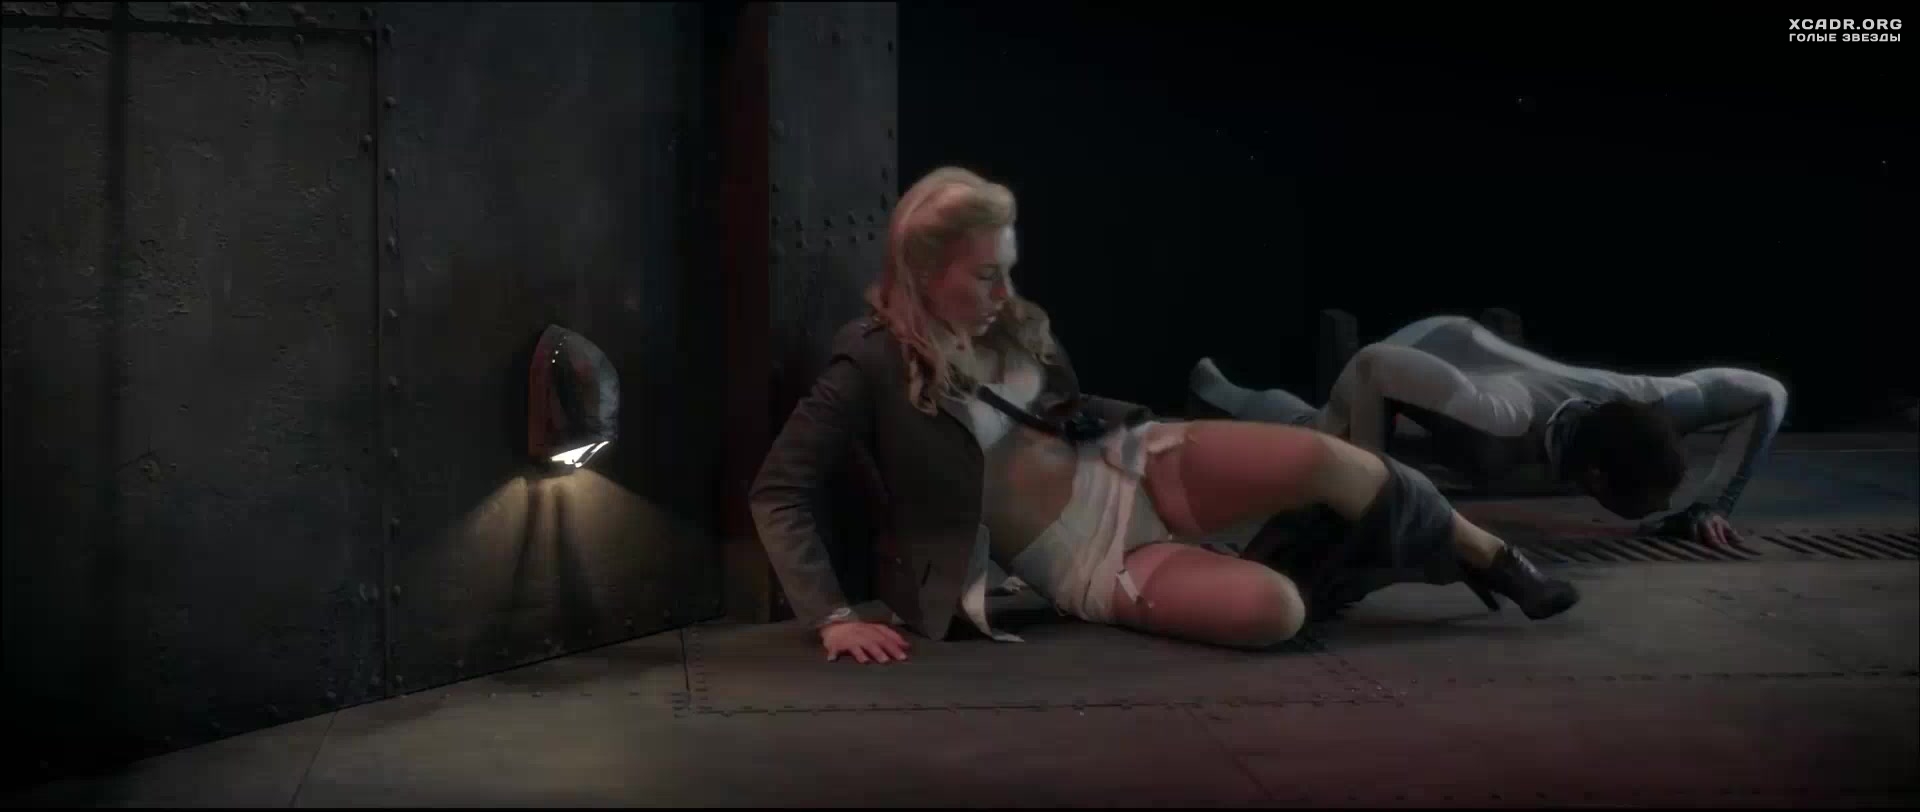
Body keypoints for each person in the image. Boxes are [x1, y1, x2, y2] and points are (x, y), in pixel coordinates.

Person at [749, 168, 1579, 666]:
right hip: (1087, 560)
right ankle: (1394, 545)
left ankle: (1492, 557)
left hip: (1135, 464)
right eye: (986, 275)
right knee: (1274, 615)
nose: (1005, 290)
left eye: (1008, 270)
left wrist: (1122, 422)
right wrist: (833, 618)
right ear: (924, 270)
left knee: (1331, 459)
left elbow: (1067, 408)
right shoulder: (870, 361)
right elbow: (778, 490)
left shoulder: (1011, 326)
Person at [1188, 315, 1789, 547]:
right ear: (1598, 478)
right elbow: (1376, 365)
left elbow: (1767, 392)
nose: (1658, 506)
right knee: (1320, 435)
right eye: (1645, 499)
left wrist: (1713, 503)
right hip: (1428, 350)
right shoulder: (1501, 420)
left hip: (1495, 377)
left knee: (1481, 466)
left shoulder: (1652, 403)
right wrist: (1371, 490)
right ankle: (1220, 389)